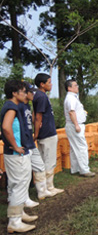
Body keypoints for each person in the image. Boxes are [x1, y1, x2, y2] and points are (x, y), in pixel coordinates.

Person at [1, 80, 37, 233]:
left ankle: (19, 212)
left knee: (16, 185)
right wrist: (16, 146)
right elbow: (5, 127)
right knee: (19, 185)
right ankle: (14, 221)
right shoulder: (11, 107)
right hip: (16, 154)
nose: (25, 93)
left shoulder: (10, 106)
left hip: (13, 153)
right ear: (14, 93)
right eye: (22, 91)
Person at [19, 82, 55, 207]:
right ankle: (23, 199)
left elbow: (33, 119)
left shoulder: (27, 107)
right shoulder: (17, 107)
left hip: (30, 142)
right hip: (23, 144)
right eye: (31, 92)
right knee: (24, 173)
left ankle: (42, 191)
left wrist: (35, 131)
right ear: (23, 92)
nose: (33, 94)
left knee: (39, 166)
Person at [33, 73, 64, 195]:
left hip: (44, 132)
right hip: (47, 133)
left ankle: (42, 188)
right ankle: (49, 187)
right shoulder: (41, 97)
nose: (51, 85)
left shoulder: (39, 96)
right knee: (49, 160)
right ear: (42, 84)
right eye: (49, 82)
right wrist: (36, 133)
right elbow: (38, 116)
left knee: (43, 161)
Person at [64, 79, 95, 177]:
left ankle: (75, 169)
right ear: (69, 88)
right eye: (75, 85)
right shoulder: (71, 98)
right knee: (82, 147)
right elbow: (71, 112)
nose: (77, 87)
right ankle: (85, 170)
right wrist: (76, 125)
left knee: (74, 148)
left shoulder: (73, 97)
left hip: (74, 125)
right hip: (74, 125)